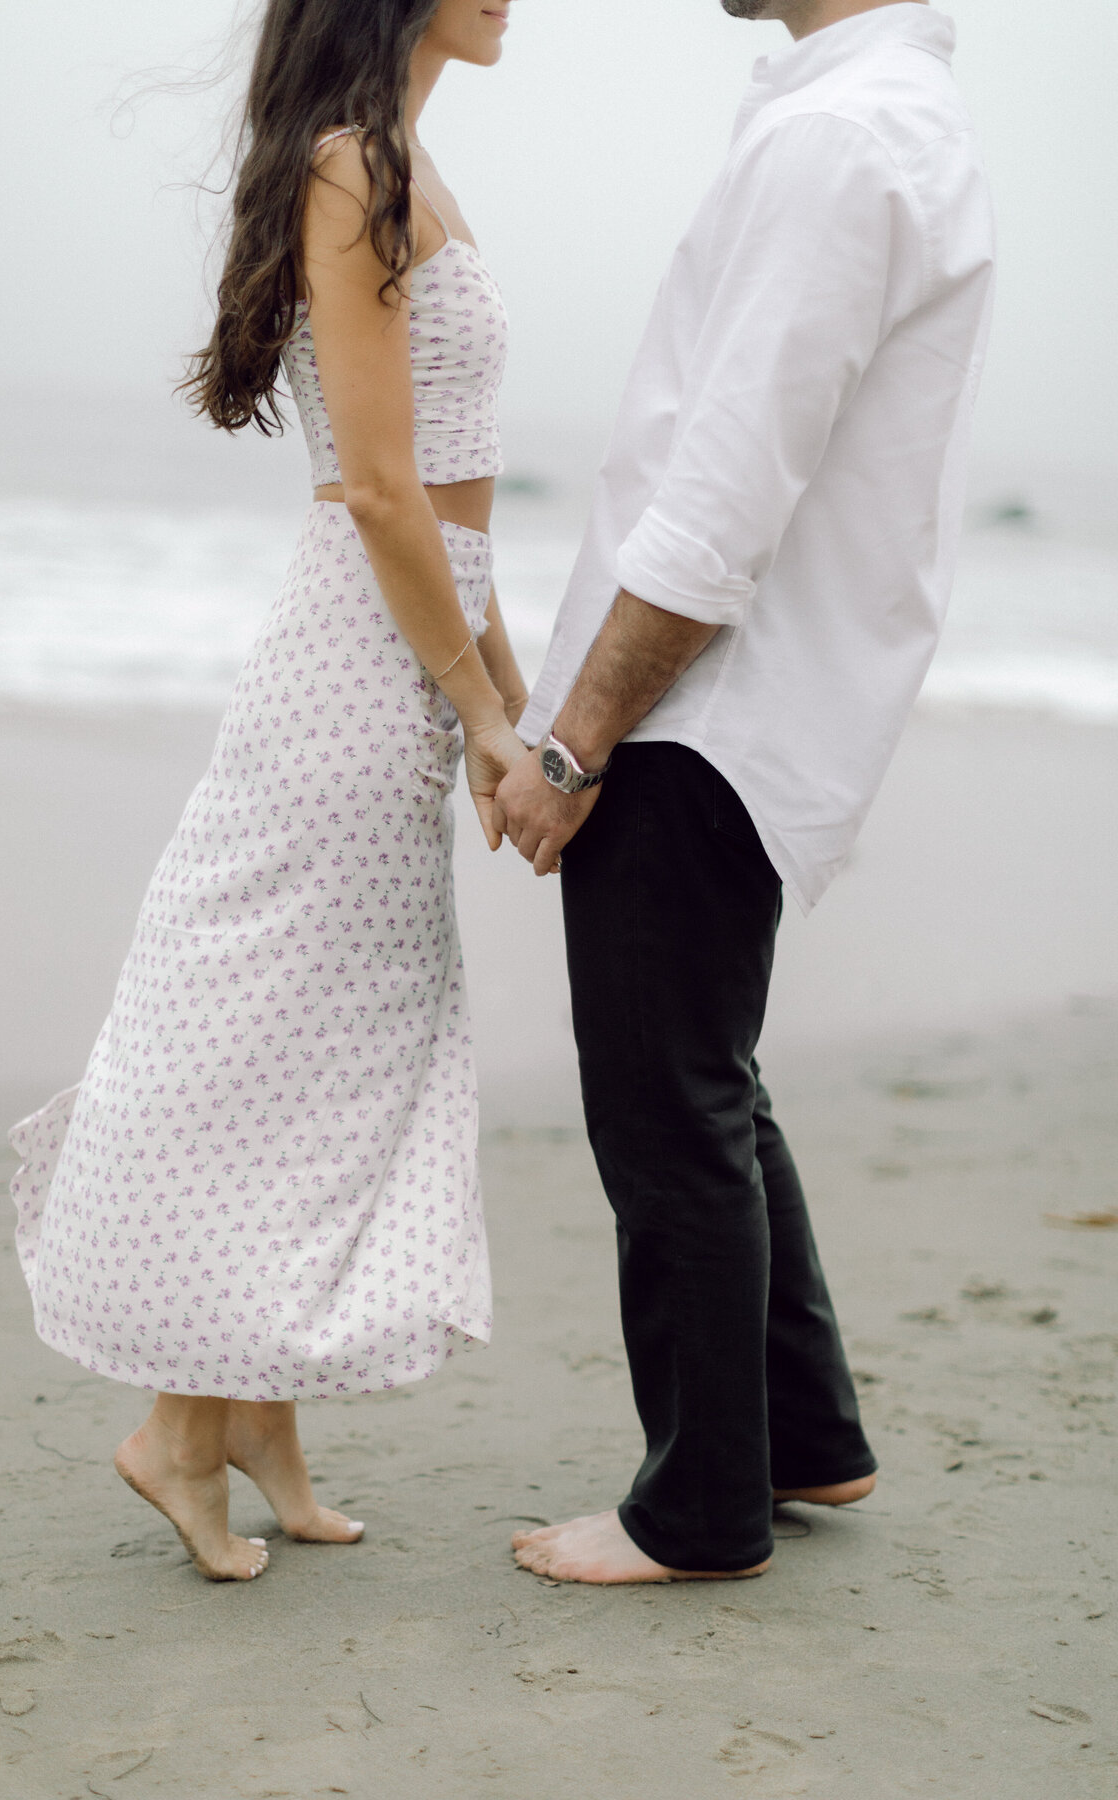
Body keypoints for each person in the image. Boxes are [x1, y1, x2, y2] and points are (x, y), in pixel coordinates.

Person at [9, 0, 527, 1583]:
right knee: (277, 1024)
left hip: (414, 650)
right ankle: (178, 1427)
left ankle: (259, 1418)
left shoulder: (407, 161)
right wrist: (475, 709)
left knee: (342, 1031)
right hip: (359, 666)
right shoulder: (350, 165)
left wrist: (519, 707)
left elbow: (465, 490)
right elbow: (378, 489)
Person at [498, 0, 995, 1583]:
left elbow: (727, 488)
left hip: (708, 706)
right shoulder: (872, 114)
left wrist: (575, 740)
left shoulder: (846, 136)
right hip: (752, 699)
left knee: (667, 1106)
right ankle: (812, 1440)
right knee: (709, 1073)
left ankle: (702, 1508)